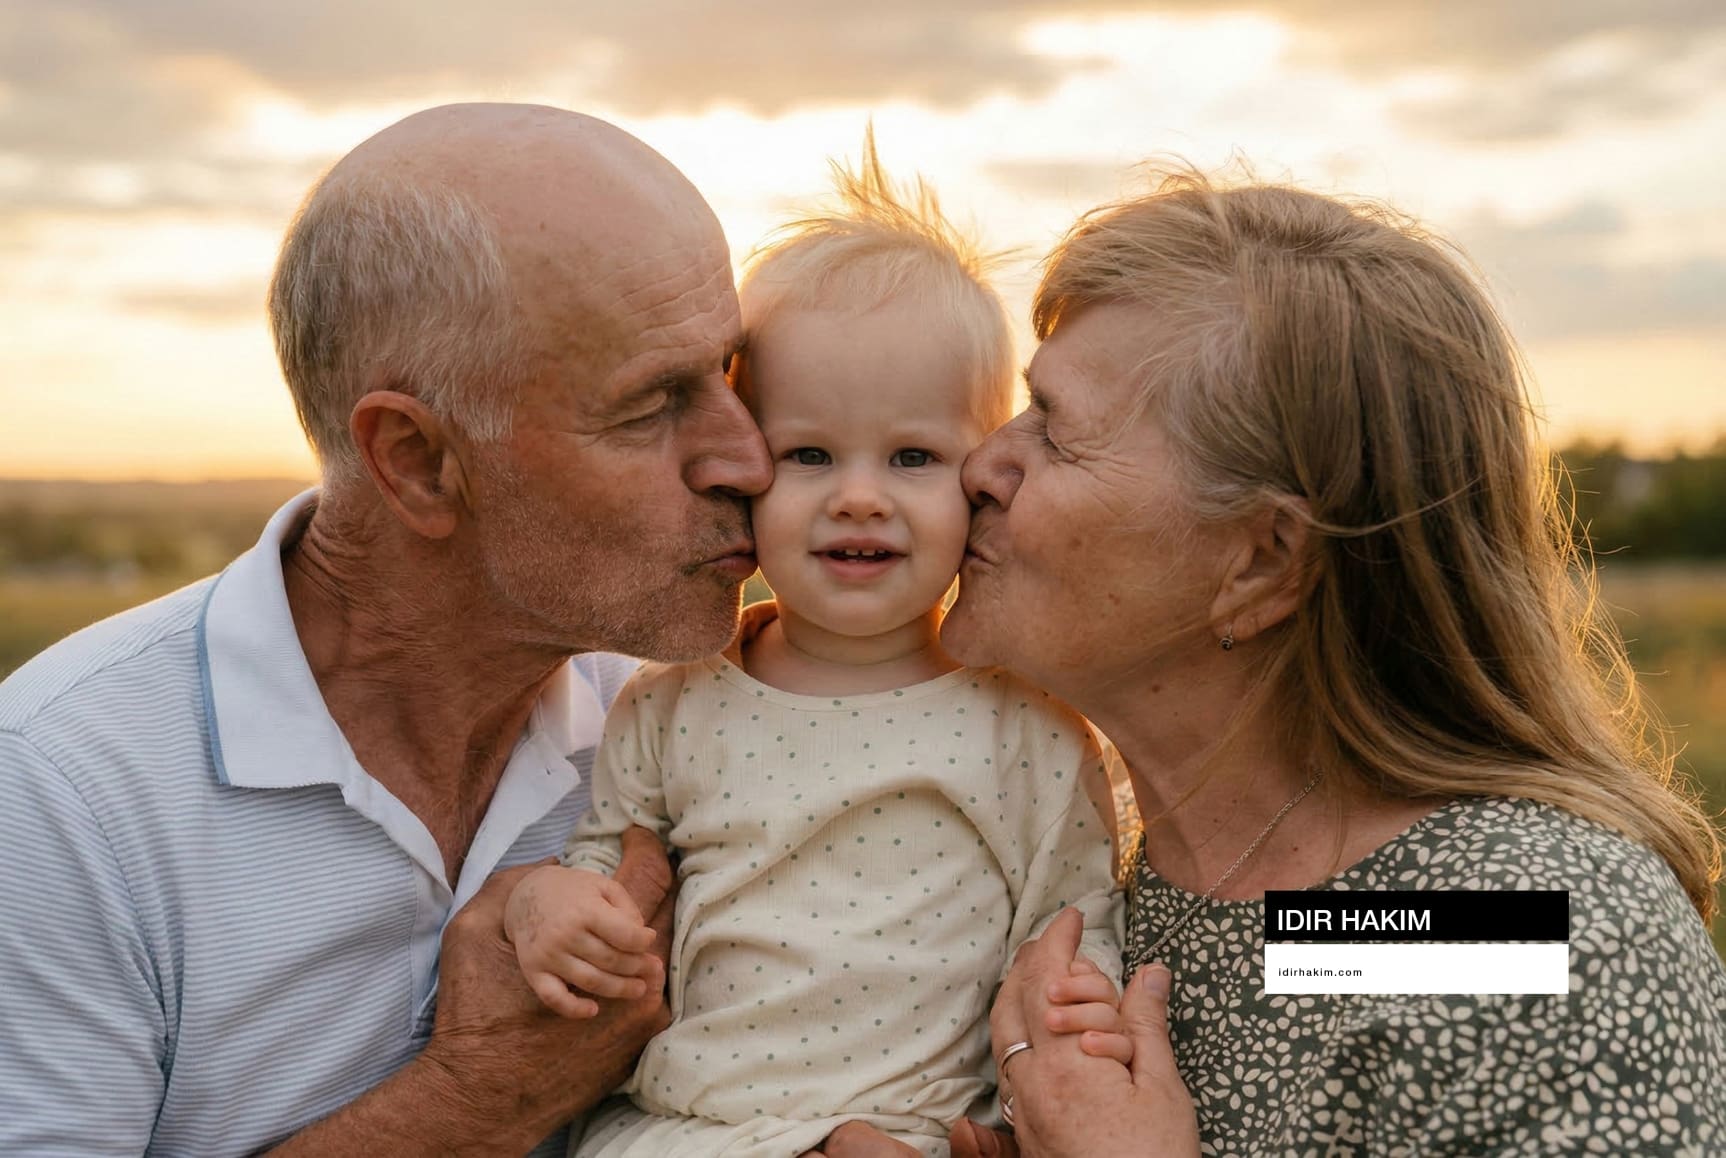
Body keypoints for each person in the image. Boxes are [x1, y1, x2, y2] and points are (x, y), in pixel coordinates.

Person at [0, 103, 774, 1156]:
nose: (748, 459)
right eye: (653, 405)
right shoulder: (58, 791)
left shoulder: (690, 730)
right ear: (414, 459)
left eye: (728, 373)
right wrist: (474, 1102)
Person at [923, 169, 1726, 1157]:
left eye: (1052, 427)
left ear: (1259, 562)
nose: (980, 466)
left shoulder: (1506, 928)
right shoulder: (1088, 869)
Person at [501, 140, 1124, 1158]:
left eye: (913, 456)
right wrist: (547, 904)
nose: (860, 494)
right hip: (681, 1131)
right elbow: (606, 876)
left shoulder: (1030, 728)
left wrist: (1068, 1027)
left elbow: (1070, 932)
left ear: (980, 476)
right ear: (746, 467)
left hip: (911, 1132)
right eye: (809, 455)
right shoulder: (668, 706)